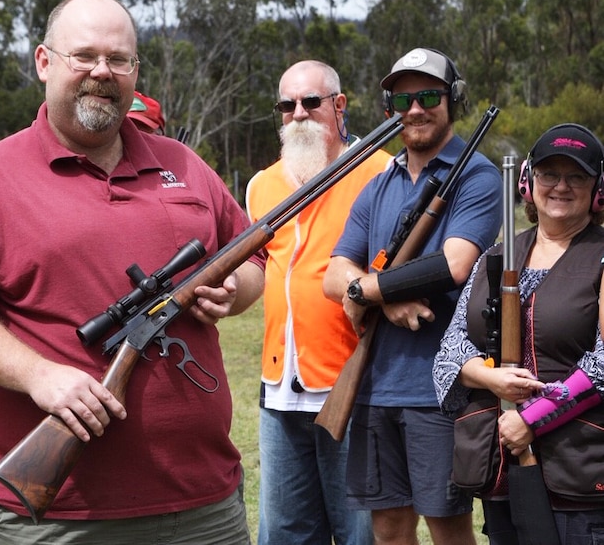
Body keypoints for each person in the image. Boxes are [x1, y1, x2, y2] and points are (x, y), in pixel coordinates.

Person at [0, 0, 265, 544]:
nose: (102, 71)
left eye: (118, 59)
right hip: (57, 517)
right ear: (44, 62)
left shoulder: (182, 164)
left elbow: (252, 253)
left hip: (203, 504)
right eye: (84, 56)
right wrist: (38, 375)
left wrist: (234, 288)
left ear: (135, 72)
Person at [323, 47, 503, 545]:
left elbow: (454, 263)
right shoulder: (378, 185)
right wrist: (383, 296)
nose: (416, 109)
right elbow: (334, 273)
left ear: (452, 100)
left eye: (428, 95)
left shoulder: (477, 176)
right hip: (375, 387)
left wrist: (368, 290)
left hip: (440, 390)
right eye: (403, 100)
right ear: (389, 109)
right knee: (389, 531)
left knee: (448, 529)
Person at [434, 123, 604, 545]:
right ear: (529, 182)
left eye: (576, 176)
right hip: (499, 465)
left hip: (578, 475)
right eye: (549, 174)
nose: (560, 186)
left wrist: (531, 418)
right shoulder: (498, 255)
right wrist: (488, 377)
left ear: (597, 188)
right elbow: (449, 349)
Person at [245, 59, 390, 545]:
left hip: (353, 383)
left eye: (311, 102)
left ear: (339, 105)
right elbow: (260, 268)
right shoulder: (261, 185)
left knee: (359, 531)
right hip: (278, 389)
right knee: (285, 532)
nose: (299, 114)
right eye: (288, 105)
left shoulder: (380, 171)